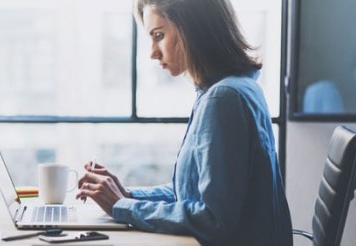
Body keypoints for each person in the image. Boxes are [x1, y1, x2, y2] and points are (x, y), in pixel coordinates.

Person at [76, 0, 293, 245]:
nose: (152, 53)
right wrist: (127, 195)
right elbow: (189, 193)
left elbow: (212, 219)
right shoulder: (234, 88)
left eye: (159, 35)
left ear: (192, 27)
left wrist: (123, 206)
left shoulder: (223, 99)